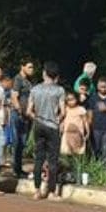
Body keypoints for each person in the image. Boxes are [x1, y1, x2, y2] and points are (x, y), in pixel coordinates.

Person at [28, 63, 67, 199]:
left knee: (39, 158)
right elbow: (63, 112)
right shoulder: (59, 90)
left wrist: (37, 118)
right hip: (52, 126)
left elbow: (29, 111)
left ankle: (37, 191)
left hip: (38, 125)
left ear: (44, 73)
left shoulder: (35, 89)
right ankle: (51, 191)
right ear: (56, 76)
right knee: (52, 160)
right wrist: (57, 119)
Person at [11, 59, 37, 177]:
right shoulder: (18, 79)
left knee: (23, 143)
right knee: (18, 142)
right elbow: (14, 97)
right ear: (22, 67)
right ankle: (16, 169)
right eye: (29, 67)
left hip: (27, 116)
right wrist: (19, 111)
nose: (32, 69)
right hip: (19, 115)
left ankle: (18, 168)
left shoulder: (29, 81)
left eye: (32, 67)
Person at [60, 91, 90, 190]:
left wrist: (87, 132)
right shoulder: (65, 109)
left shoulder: (81, 109)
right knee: (66, 156)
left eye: (72, 99)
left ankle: (77, 177)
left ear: (77, 99)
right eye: (68, 100)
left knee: (78, 157)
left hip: (78, 136)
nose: (70, 102)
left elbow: (85, 121)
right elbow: (63, 120)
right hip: (67, 135)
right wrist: (61, 127)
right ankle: (67, 176)